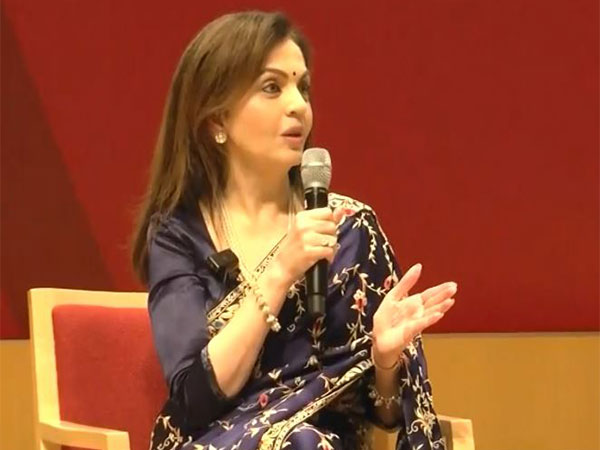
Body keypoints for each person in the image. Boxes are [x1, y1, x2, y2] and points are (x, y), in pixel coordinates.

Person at [131, 10, 457, 450]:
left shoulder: (350, 230)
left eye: (302, 87)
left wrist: (384, 359)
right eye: (272, 87)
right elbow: (193, 401)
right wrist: (280, 274)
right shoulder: (178, 235)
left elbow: (384, 415)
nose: (299, 106)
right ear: (216, 121)